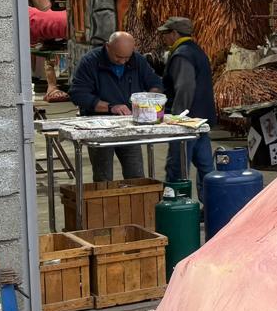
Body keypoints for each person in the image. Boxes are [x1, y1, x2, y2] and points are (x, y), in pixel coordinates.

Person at [68, 31, 162, 181]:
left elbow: (155, 83)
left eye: (127, 57)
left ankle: (134, 197)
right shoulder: (90, 62)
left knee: (136, 174)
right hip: (99, 127)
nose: (123, 61)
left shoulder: (137, 60)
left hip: (129, 125)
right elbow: (78, 94)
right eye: (118, 57)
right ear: (108, 47)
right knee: (103, 177)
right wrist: (110, 107)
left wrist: (150, 99)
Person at [157, 16, 216, 187]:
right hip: (201, 119)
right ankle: (210, 202)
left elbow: (185, 87)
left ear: (174, 33)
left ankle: (176, 201)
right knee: (206, 169)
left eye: (165, 33)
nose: (163, 37)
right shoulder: (197, 51)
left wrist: (178, 118)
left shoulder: (182, 54)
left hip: (187, 123)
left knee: (178, 168)